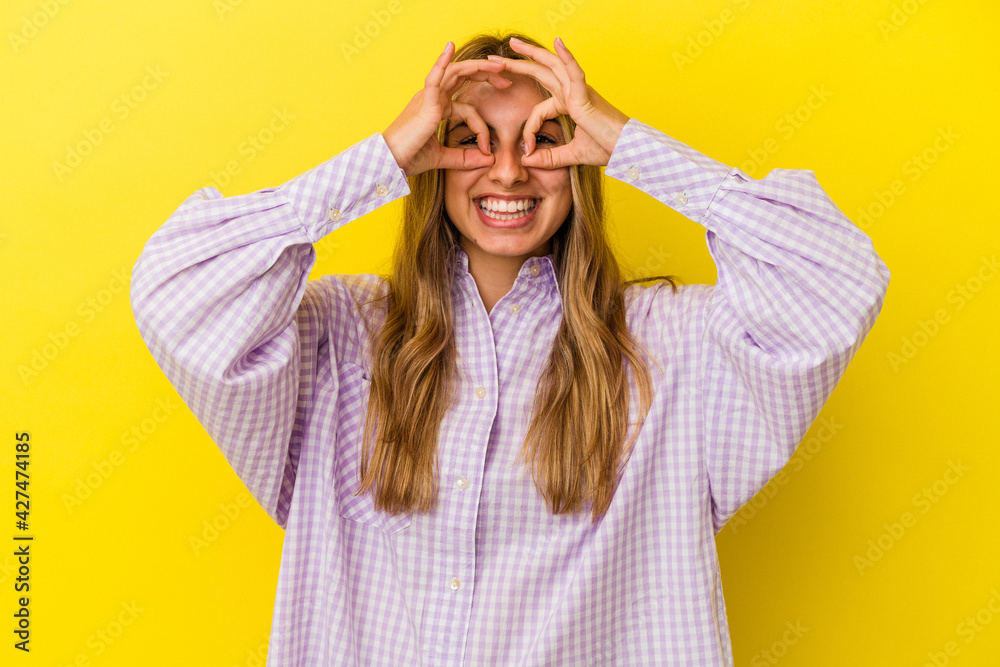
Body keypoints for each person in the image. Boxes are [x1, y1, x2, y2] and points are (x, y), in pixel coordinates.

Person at [131, 31, 889, 666]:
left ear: (581, 162)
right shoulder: (341, 336)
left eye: (543, 141)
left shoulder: (669, 346)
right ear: (429, 160)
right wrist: (381, 160)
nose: (506, 170)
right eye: (469, 141)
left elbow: (839, 283)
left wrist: (630, 145)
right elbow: (174, 292)